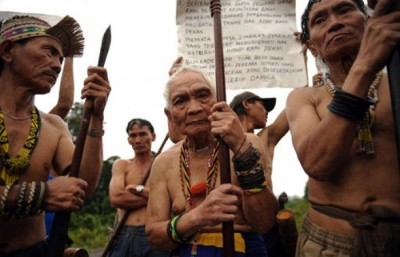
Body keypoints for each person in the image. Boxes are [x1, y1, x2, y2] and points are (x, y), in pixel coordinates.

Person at [286, 0, 400, 256]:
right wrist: (364, 66)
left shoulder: (394, 81)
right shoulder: (304, 98)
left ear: (369, 21)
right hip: (326, 245)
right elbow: (317, 163)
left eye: (344, 10)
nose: (335, 23)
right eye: (320, 20)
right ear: (312, 47)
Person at [0, 14, 111, 256]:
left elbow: (85, 184)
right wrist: (42, 194)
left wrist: (97, 116)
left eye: (61, 58)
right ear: (8, 50)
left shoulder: (54, 127)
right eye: (49, 51)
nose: (57, 65)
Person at [146, 66, 278, 257]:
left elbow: (264, 222)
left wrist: (240, 148)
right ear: (170, 115)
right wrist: (199, 216)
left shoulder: (247, 143)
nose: (194, 108)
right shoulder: (163, 162)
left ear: (218, 101)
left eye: (202, 95)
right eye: (181, 101)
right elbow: (154, 236)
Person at [230, 92, 289, 257]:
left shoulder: (265, 138)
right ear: (247, 104)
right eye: (263, 105)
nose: (267, 111)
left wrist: (305, 78)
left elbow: (290, 110)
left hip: (268, 225)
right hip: (236, 230)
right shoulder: (220, 144)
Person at [108, 118, 169, 257]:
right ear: (128, 139)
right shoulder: (122, 165)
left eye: (142, 134)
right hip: (123, 232)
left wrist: (135, 188)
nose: (138, 140)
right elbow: (116, 198)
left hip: (154, 231)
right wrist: (156, 197)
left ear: (152, 137)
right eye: (133, 136)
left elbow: (171, 198)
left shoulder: (163, 164)